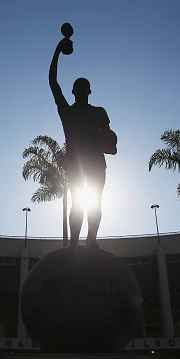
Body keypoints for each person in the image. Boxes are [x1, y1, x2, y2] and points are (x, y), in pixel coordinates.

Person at [49, 39, 113, 248]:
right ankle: (76, 244)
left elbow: (109, 139)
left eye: (84, 88)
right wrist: (58, 50)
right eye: (81, 87)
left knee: (93, 202)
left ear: (86, 92)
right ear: (75, 91)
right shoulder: (68, 112)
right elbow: (52, 83)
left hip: (94, 162)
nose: (83, 90)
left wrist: (110, 141)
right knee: (80, 202)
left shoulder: (98, 112)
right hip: (77, 163)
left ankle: (90, 240)